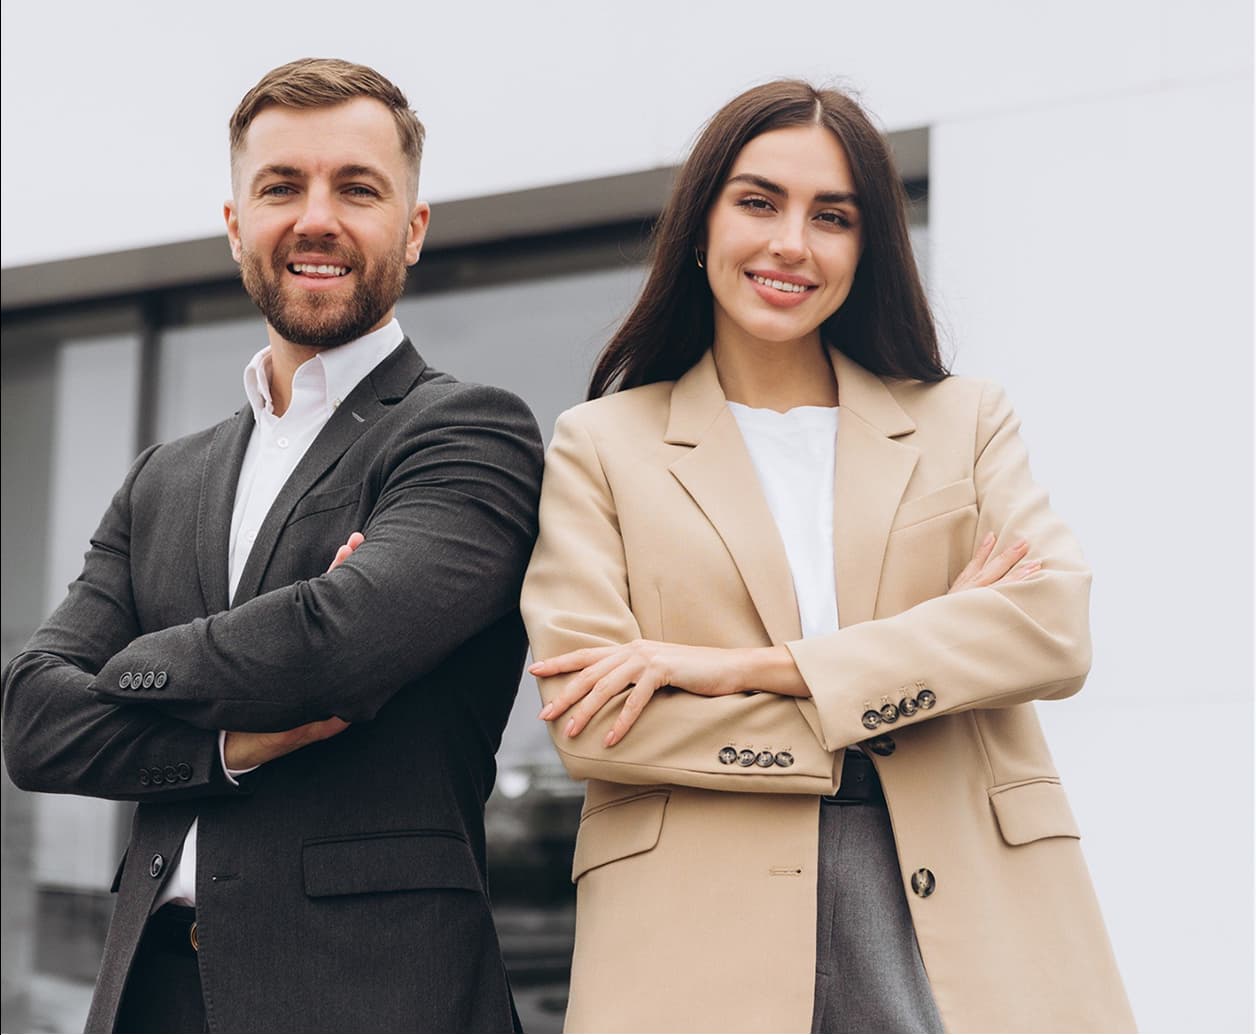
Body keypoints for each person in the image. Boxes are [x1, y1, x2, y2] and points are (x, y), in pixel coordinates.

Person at [521, 80, 1135, 1033]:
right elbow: (594, 722)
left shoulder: (961, 421)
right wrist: (928, 656)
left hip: (964, 898)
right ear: (701, 223)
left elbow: (1052, 630)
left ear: (868, 245)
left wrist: (738, 670)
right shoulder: (602, 444)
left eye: (833, 216)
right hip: (696, 926)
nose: (790, 244)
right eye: (758, 202)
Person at [2, 58, 543, 1033]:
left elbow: (336, 649)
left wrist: (130, 664)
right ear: (235, 225)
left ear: (413, 231)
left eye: (358, 188)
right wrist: (224, 743)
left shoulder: (467, 433)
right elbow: (34, 722)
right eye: (281, 186)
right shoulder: (164, 476)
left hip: (371, 995)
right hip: (151, 993)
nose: (316, 218)